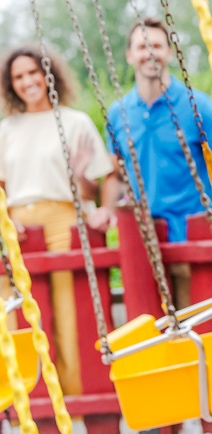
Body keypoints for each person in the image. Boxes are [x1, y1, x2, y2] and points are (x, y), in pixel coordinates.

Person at [0, 45, 116, 397]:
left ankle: (79, 398)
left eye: (33, 72)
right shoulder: (6, 128)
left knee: (70, 316)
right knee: (25, 317)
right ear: (11, 84)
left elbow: (105, 178)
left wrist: (106, 208)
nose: (27, 81)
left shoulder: (74, 121)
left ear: (48, 74)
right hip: (20, 227)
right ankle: (36, 403)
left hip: (64, 221)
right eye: (19, 76)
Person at [93, 16, 212, 309]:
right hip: (142, 243)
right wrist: (105, 209)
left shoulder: (197, 103)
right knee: (153, 330)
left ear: (169, 51)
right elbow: (115, 176)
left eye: (156, 45)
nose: (150, 53)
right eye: (142, 46)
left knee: (200, 323)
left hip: (191, 235)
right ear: (130, 55)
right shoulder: (118, 113)